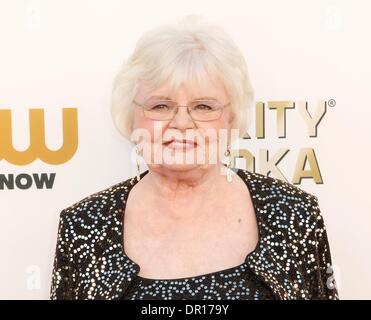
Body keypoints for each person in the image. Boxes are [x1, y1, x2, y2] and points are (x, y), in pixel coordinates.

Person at [50, 16, 338, 300]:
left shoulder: (294, 214)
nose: (182, 123)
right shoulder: (83, 226)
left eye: (203, 106)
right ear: (131, 115)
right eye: (161, 106)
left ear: (232, 117)